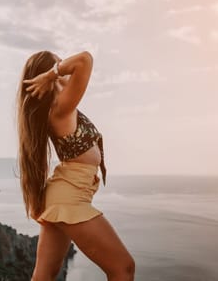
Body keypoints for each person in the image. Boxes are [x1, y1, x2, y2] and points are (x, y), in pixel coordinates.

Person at [16, 50, 135, 281]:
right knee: (123, 268)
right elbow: (84, 60)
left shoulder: (59, 106)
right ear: (49, 76)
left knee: (44, 276)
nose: (65, 68)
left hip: (62, 194)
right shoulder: (60, 107)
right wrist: (53, 73)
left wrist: (53, 72)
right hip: (69, 198)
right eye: (60, 65)